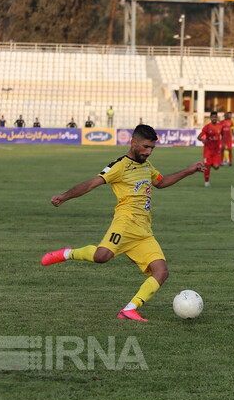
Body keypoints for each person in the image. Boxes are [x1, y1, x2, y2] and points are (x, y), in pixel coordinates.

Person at [40, 124, 204, 321]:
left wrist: (188, 171)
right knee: (102, 256)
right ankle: (67, 253)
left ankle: (129, 309)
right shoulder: (119, 166)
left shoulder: (146, 166)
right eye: (145, 147)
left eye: (152, 148)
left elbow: (160, 182)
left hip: (144, 231)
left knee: (161, 272)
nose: (148, 152)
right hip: (125, 223)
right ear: (133, 142)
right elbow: (92, 183)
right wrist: (64, 197)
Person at [198, 112, 223, 187]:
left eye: (215, 117)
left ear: (217, 118)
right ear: (210, 118)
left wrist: (223, 143)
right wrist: (202, 140)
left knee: (216, 167)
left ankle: (209, 164)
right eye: (213, 117)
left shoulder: (220, 127)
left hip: (216, 150)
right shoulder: (207, 127)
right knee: (207, 166)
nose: (214, 118)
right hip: (208, 150)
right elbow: (199, 137)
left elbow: (223, 135)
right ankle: (206, 182)